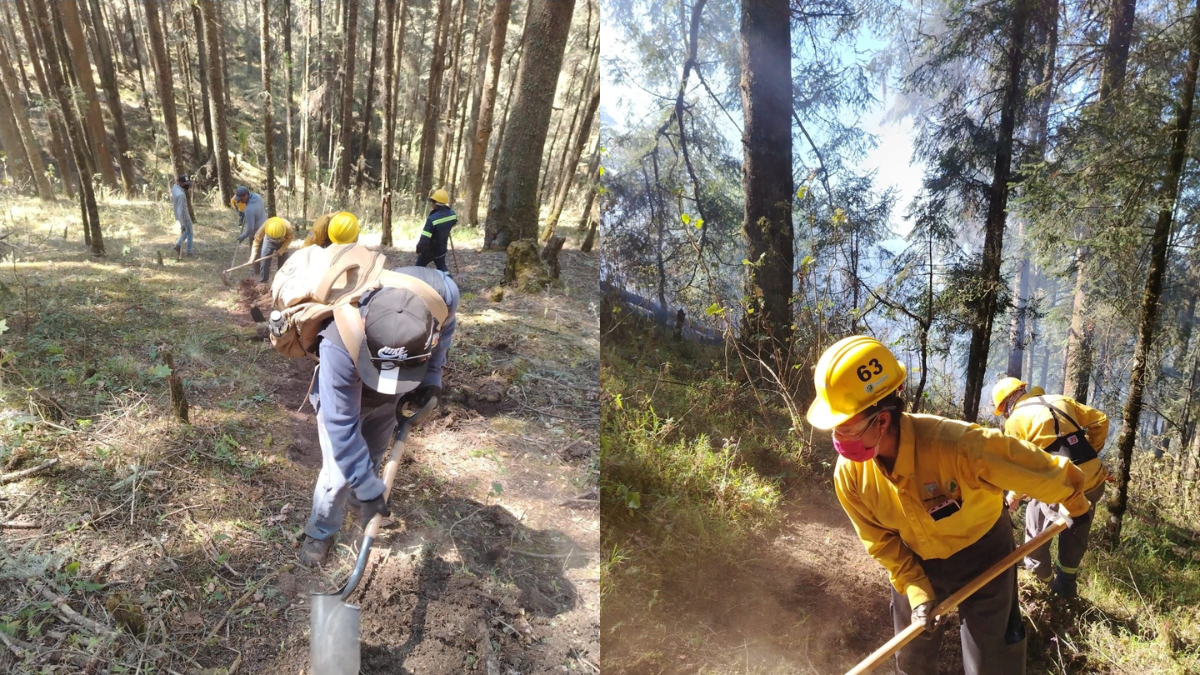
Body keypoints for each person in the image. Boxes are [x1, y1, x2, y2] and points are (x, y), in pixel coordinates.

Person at [807, 336, 1092, 675]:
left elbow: (1029, 467)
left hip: (986, 551)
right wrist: (915, 588)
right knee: (912, 658)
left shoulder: (956, 446)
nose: (838, 438)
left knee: (993, 659)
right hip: (915, 560)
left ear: (881, 420)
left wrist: (1074, 500)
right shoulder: (850, 476)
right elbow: (880, 541)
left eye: (845, 427)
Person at [298, 266, 459, 566]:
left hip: (388, 403)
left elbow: (446, 331)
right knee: (338, 473)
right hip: (346, 395)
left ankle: (361, 506)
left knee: (372, 454)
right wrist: (365, 482)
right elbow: (341, 426)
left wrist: (430, 379)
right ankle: (320, 531)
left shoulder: (443, 297)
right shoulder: (339, 339)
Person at [992, 377, 1110, 598]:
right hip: (1094, 481)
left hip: (1062, 486)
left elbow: (1017, 469)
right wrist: (1091, 452)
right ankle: (1066, 586)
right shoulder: (1061, 399)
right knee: (1077, 525)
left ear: (1006, 404)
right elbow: (1101, 420)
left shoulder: (1015, 421)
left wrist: (1014, 497)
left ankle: (1042, 587)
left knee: (1036, 525)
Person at [416, 188, 456, 273]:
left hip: (429, 251)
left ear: (436, 203)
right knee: (442, 267)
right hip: (441, 249)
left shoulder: (432, 219)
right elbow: (453, 223)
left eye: (432, 202)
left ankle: (413, 283)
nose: (431, 204)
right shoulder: (452, 215)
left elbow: (424, 238)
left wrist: (419, 248)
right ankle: (449, 281)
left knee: (417, 268)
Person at [249, 216, 294, 283]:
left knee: (283, 264)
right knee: (264, 261)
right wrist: (252, 256)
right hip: (268, 241)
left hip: (283, 242)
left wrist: (281, 250)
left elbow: (289, 239)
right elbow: (256, 241)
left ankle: (281, 281)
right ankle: (264, 282)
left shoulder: (288, 227)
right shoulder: (265, 226)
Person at [172, 174, 194, 256]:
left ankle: (178, 245)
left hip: (180, 215)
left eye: (187, 183)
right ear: (179, 182)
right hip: (184, 215)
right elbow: (180, 210)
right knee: (190, 233)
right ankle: (189, 251)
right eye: (185, 183)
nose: (187, 185)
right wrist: (182, 224)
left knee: (187, 231)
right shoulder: (180, 195)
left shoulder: (175, 188)